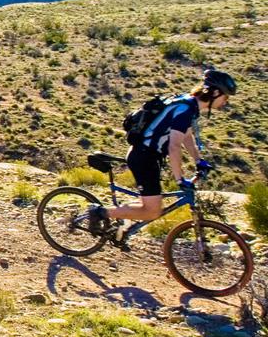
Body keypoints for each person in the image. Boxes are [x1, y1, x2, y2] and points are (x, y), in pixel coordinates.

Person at [88, 69, 237, 244]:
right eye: (225, 97)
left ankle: (123, 228)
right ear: (215, 93)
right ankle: (100, 213)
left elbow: (186, 137)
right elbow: (174, 146)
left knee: (151, 204)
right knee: (152, 211)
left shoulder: (188, 105)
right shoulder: (185, 109)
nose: (226, 102)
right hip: (144, 158)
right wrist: (180, 179)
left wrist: (198, 160)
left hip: (149, 157)